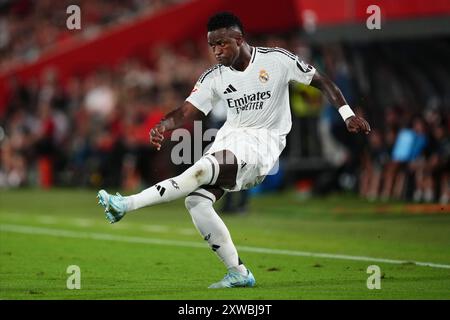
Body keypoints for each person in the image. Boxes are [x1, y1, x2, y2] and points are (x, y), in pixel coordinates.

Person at [97, 12, 371, 288]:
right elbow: (186, 111)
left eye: (222, 43)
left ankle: (126, 204)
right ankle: (238, 272)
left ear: (239, 39)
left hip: (263, 144)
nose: (216, 51)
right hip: (230, 140)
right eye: (212, 45)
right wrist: (162, 125)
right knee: (196, 203)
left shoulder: (276, 60)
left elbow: (322, 80)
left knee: (201, 170)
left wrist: (347, 114)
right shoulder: (214, 77)